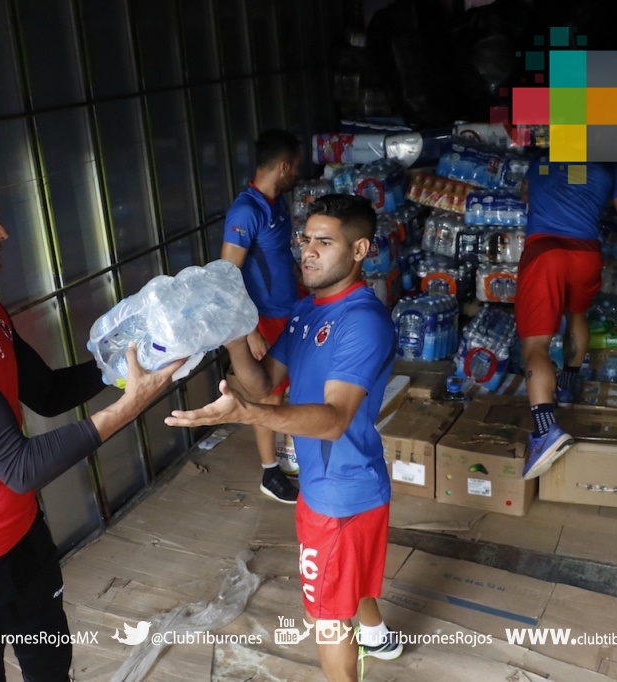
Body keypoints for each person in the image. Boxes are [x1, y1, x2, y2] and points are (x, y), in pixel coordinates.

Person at [0, 166, 184, 681]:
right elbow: (18, 466)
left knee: (50, 667)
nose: (2, 234)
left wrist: (130, 363)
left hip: (21, 535)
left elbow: (47, 394)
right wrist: (130, 405)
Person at [169, 194, 403, 681]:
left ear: (359, 250)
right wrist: (233, 333)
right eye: (305, 239)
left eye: (324, 241)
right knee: (345, 577)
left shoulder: (361, 321)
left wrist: (250, 412)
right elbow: (263, 382)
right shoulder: (308, 310)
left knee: (326, 618)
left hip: (342, 493)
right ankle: (379, 636)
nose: (307, 251)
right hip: (326, 484)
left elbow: (335, 418)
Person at [517, 160, 617, 479]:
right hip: (585, 255)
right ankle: (566, 386)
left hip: (545, 252)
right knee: (577, 315)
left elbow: (525, 196)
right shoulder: (611, 168)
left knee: (536, 343)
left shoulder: (543, 161)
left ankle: (545, 429)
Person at [221, 128, 303, 503]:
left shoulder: (277, 204)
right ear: (283, 167)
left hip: (289, 310)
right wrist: (249, 329)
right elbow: (226, 275)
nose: (297, 173)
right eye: (296, 167)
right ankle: (270, 473)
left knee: (290, 391)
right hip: (263, 318)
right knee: (268, 397)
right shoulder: (246, 211)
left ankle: (294, 458)